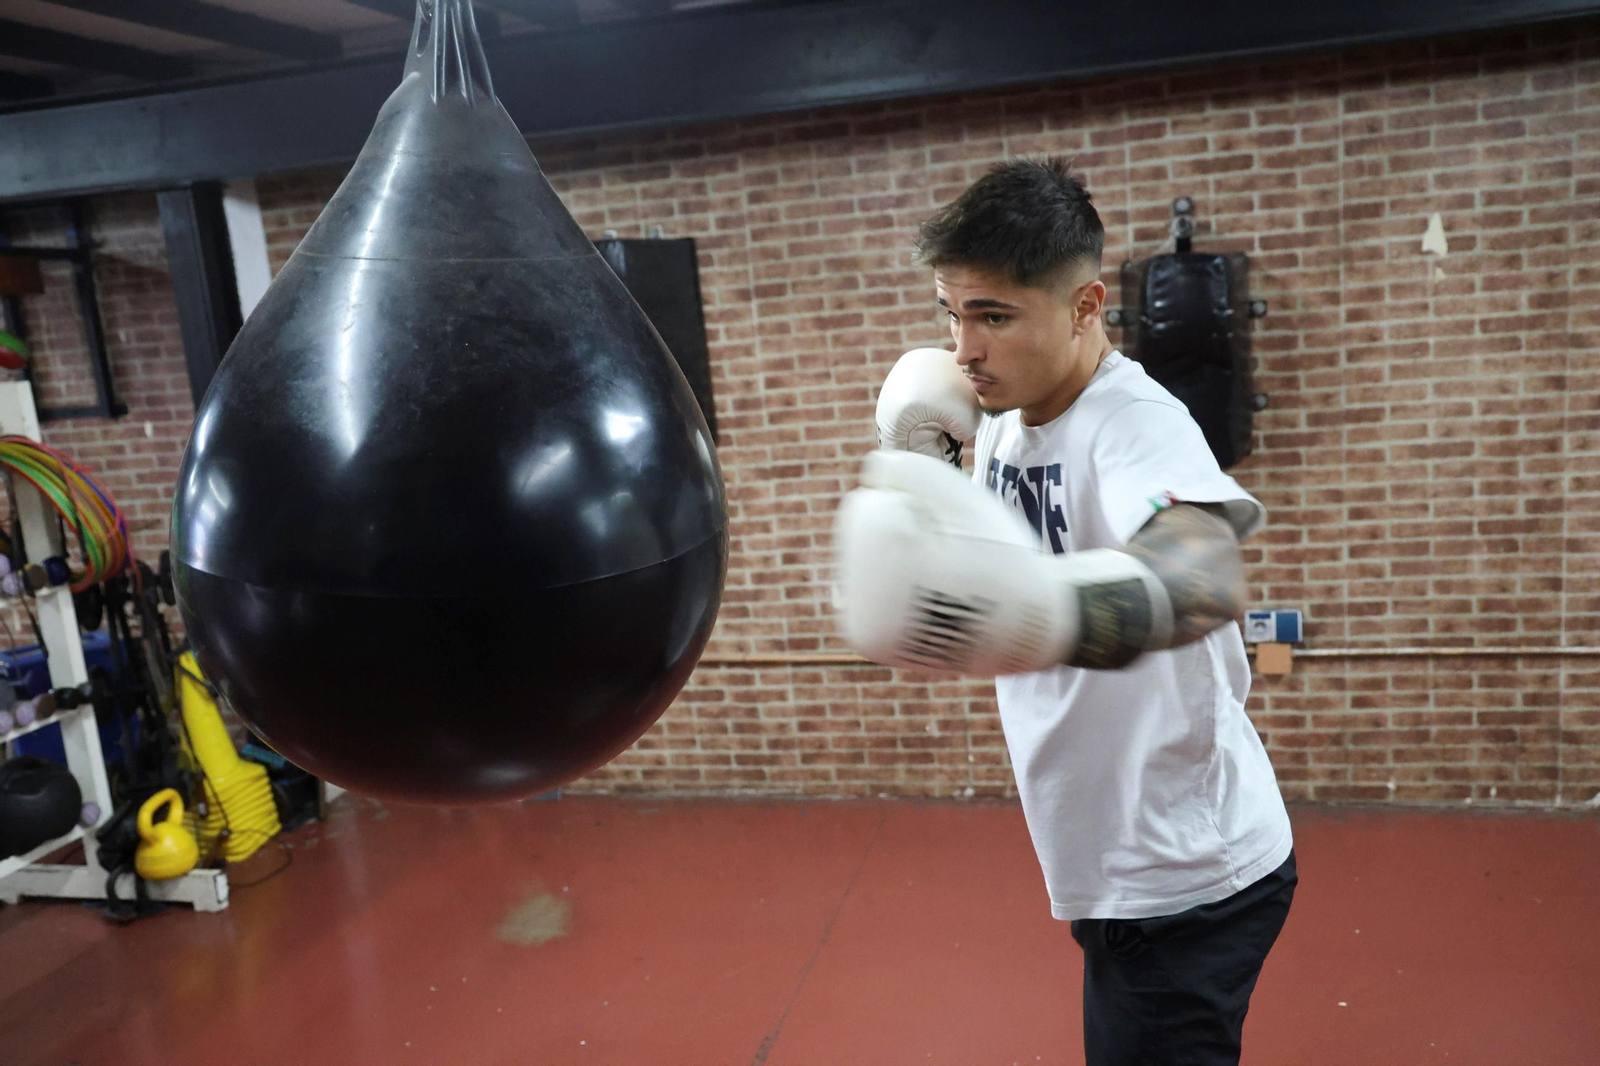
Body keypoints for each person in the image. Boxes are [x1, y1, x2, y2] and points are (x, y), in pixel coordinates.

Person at [832, 157, 1296, 1065]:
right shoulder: (1000, 408)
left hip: (1182, 878)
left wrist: (1051, 613)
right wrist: (922, 461)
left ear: (1086, 307)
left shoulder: (1135, 425)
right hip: (1107, 856)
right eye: (950, 312)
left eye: (994, 316)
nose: (964, 348)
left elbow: (1202, 576)